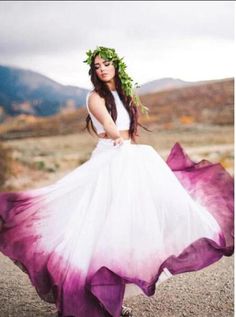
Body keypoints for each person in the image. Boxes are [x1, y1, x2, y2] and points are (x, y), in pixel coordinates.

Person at [0, 46, 234, 317]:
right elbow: (112, 130)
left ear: (116, 66)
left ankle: (112, 298)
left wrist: (134, 152)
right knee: (102, 228)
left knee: (127, 230)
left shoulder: (125, 96)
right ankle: (92, 295)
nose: (101, 69)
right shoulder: (95, 97)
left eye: (106, 64)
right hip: (111, 159)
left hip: (128, 159)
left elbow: (129, 133)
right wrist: (127, 148)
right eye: (97, 66)